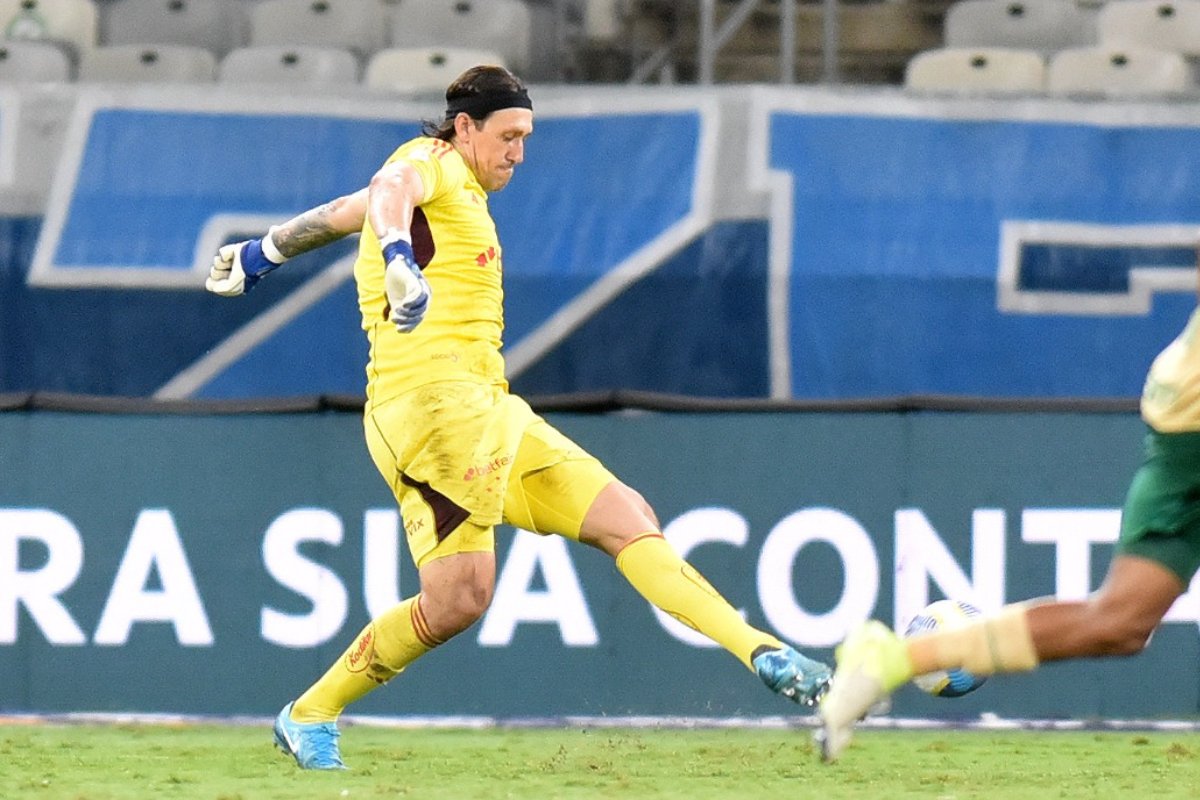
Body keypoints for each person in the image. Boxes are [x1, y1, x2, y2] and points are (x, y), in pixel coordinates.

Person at [205, 65, 831, 771]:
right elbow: (387, 193)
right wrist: (399, 259)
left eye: (527, 136)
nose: (519, 152)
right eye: (508, 134)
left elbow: (353, 207)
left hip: (484, 408)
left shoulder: (453, 187)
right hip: (430, 415)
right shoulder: (431, 162)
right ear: (464, 127)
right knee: (490, 584)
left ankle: (762, 652)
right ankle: (311, 712)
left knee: (505, 578)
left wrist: (266, 251)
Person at [816, 267, 1200, 763]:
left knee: (1119, 624)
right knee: (1117, 620)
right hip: (1191, 418)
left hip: (1179, 403)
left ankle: (893, 660)